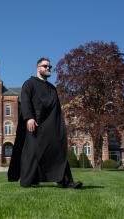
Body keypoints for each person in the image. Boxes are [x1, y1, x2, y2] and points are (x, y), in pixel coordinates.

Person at [8, 57, 83, 188]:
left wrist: (59, 127)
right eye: (45, 66)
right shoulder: (29, 83)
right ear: (38, 68)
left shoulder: (52, 88)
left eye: (49, 67)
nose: (48, 68)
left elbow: (56, 108)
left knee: (57, 149)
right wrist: (29, 118)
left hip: (50, 125)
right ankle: (28, 181)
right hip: (35, 124)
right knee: (32, 153)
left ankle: (66, 181)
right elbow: (25, 101)